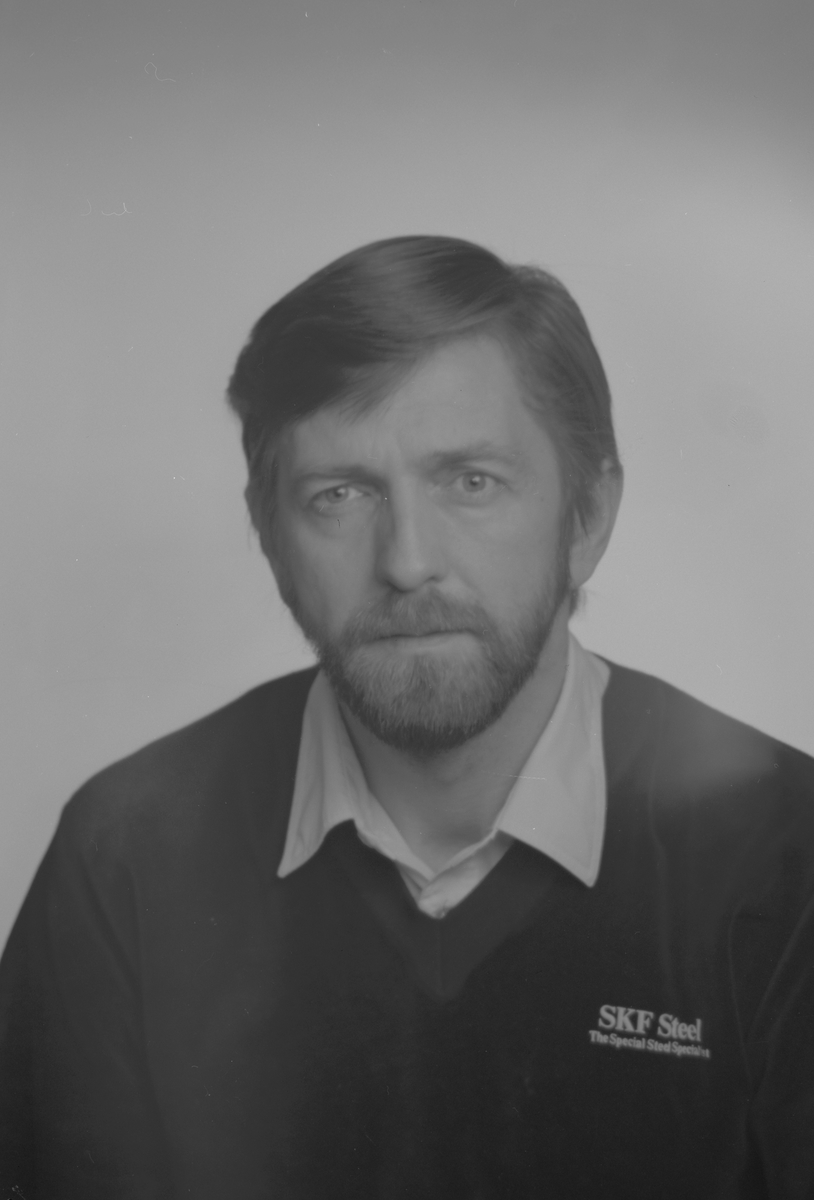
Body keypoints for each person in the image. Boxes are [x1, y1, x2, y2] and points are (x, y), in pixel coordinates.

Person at [1, 235, 812, 1200]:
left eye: (471, 482)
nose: (408, 562)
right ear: (268, 535)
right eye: (339, 496)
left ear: (587, 518)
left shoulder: (784, 849)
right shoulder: (127, 853)